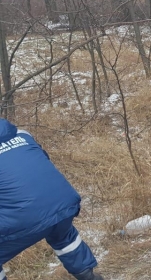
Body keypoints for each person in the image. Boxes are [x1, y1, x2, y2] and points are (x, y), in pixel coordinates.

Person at [0, 118, 103, 280]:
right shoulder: (22, 134)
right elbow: (42, 160)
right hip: (63, 203)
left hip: (25, 217)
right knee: (61, 231)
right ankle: (88, 276)